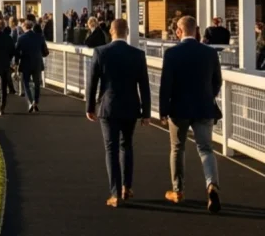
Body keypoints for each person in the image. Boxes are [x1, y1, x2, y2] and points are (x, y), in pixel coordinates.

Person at [159, 15, 223, 213]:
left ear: (178, 31)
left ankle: (178, 190)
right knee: (206, 148)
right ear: (196, 31)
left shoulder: (171, 53)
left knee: (177, 148)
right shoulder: (210, 53)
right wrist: (207, 96)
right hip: (204, 107)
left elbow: (165, 85)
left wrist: (163, 110)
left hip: (179, 109)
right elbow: (217, 81)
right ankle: (212, 185)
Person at [85, 19, 152, 207]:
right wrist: (146, 112)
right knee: (127, 146)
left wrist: (90, 107)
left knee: (111, 149)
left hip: (108, 107)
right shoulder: (138, 54)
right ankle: (127, 187)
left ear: (111, 31)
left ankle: (114, 193)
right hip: (131, 107)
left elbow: (92, 82)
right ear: (127, 32)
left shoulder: (100, 52)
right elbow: (144, 86)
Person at [15, 20, 49, 112]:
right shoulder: (39, 37)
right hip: (37, 62)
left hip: (26, 62)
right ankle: (36, 101)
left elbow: (17, 53)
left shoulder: (21, 38)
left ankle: (30, 101)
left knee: (26, 83)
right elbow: (46, 52)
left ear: (24, 27)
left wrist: (16, 63)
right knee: (37, 83)